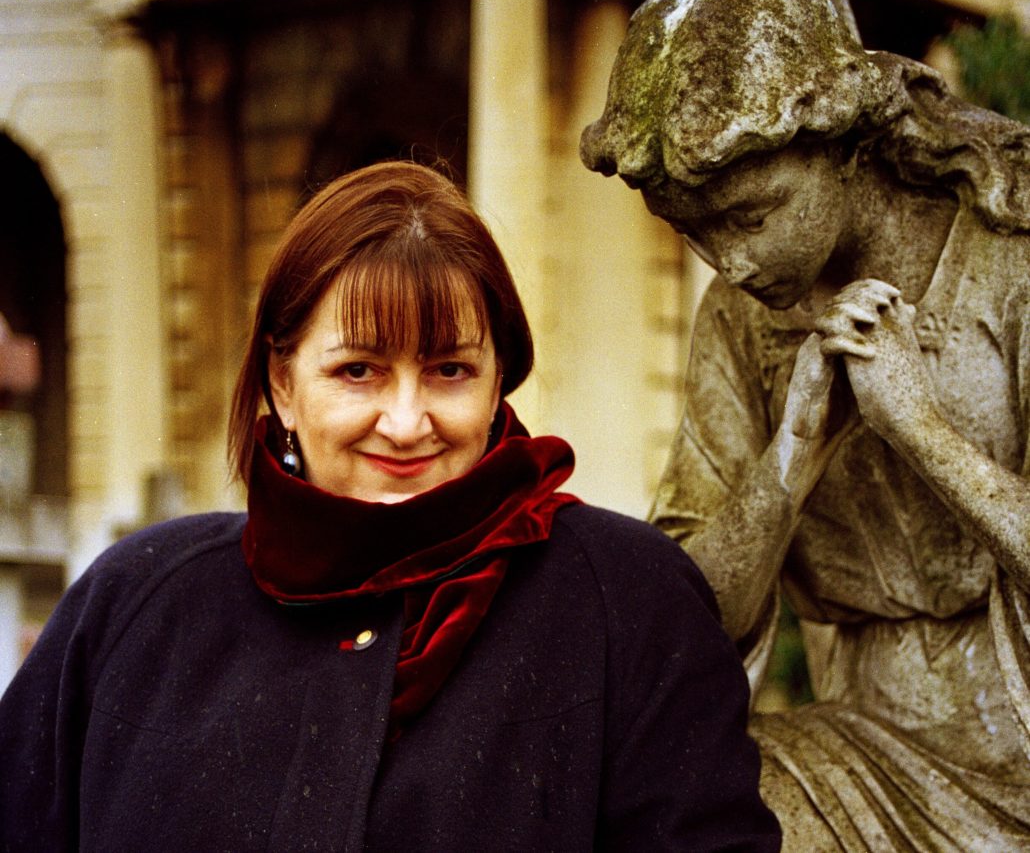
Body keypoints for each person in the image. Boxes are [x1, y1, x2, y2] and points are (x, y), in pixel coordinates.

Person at [0, 160, 779, 851]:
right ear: (283, 383)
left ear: (497, 376)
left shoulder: (632, 604)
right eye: (359, 370)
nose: (407, 423)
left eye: (448, 369)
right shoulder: (134, 603)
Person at [580, 0, 1030, 849]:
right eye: (696, 234)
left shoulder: (1011, 259)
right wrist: (790, 462)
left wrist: (920, 431)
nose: (732, 262)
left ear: (847, 144)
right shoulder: (741, 320)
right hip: (858, 750)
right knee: (676, 805)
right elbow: (680, 617)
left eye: (752, 216)